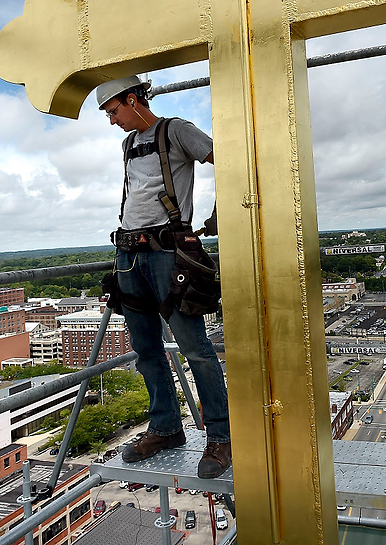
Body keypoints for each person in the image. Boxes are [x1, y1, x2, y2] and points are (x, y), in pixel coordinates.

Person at [97, 75, 231, 479]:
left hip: (167, 254)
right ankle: (166, 428)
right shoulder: (127, 145)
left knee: (195, 348)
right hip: (128, 256)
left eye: (114, 110)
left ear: (134, 99)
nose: (112, 121)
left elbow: (229, 161)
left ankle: (221, 438)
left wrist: (222, 211)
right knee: (146, 350)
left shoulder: (177, 131)